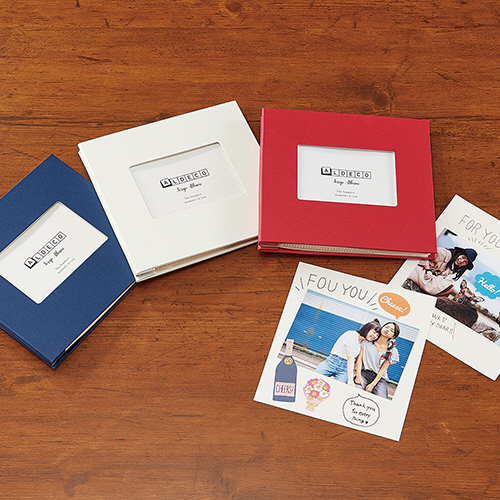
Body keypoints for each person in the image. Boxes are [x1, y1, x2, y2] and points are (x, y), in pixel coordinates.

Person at [315, 320, 380, 387]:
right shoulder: (351, 334)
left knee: (339, 388)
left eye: (377, 335)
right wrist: (350, 380)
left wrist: (354, 375)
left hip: (345, 369)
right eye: (374, 332)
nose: (375, 336)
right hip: (331, 363)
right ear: (367, 328)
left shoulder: (364, 343)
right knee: (314, 381)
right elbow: (350, 357)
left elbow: (356, 360)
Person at [405, 246, 477, 296]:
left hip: (427, 276)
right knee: (449, 288)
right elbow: (425, 254)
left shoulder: (452, 267)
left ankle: (430, 297)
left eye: (465, 262)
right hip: (419, 268)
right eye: (463, 257)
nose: (461, 261)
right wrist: (428, 269)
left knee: (450, 288)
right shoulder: (444, 253)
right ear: (459, 253)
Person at [354, 321, 400, 399]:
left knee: (381, 397)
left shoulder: (392, 350)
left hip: (379, 378)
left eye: (391, 330)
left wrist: (372, 384)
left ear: (393, 336)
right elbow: (360, 359)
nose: (387, 330)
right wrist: (358, 376)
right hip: (365, 373)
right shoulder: (367, 342)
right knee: (356, 390)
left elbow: (383, 369)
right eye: (387, 327)